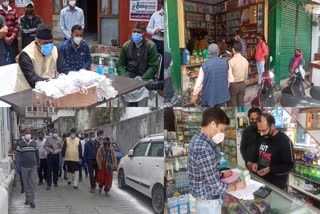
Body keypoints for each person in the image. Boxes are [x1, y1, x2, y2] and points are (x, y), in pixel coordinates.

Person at [188, 108, 246, 214]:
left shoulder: (198, 139)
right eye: (222, 129)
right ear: (213, 125)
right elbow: (216, 186)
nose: (223, 133)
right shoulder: (203, 147)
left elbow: (204, 171)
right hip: (208, 202)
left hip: (203, 199)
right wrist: (236, 186)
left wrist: (221, 175)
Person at [16, 24, 71, 89]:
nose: (49, 45)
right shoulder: (26, 54)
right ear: (36, 43)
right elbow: (32, 79)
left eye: (51, 42)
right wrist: (52, 82)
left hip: (49, 89)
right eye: (45, 43)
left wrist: (71, 77)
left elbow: (64, 68)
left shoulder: (55, 50)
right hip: (26, 93)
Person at [117, 21, 158, 106]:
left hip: (145, 76)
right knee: (120, 86)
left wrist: (143, 79)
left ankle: (142, 110)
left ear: (144, 34)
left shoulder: (151, 46)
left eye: (138, 32)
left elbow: (153, 67)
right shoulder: (126, 45)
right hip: (129, 75)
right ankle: (125, 108)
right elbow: (120, 65)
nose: (135, 34)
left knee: (145, 88)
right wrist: (124, 76)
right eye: (134, 31)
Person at [251, 113, 295, 190]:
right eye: (259, 130)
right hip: (261, 180)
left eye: (264, 130)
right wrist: (256, 163)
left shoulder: (284, 141)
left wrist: (270, 169)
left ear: (272, 126)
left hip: (276, 185)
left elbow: (290, 166)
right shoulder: (263, 136)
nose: (261, 134)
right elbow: (262, 153)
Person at [15, 128, 39, 208]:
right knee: (25, 184)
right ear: (24, 134)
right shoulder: (20, 144)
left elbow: (37, 154)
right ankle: (27, 199)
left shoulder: (34, 143)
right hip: (23, 167)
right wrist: (17, 166)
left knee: (33, 184)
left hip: (33, 166)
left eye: (29, 133)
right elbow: (17, 156)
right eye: (26, 133)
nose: (28, 134)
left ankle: (32, 201)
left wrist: (38, 164)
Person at [240, 107, 262, 171]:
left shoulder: (265, 130)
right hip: (249, 165)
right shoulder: (247, 131)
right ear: (249, 119)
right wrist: (247, 162)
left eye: (257, 119)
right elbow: (242, 148)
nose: (254, 121)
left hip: (263, 166)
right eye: (252, 119)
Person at [147, 0, 164, 80]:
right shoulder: (155, 14)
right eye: (163, 4)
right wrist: (154, 31)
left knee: (166, 61)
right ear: (161, 4)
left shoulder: (172, 16)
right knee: (156, 61)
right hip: (157, 41)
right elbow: (148, 29)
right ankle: (155, 79)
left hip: (168, 42)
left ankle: (163, 80)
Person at [228, 41, 249, 107]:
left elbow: (229, 76)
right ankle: (242, 114)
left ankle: (236, 116)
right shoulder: (245, 60)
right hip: (242, 84)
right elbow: (246, 75)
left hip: (234, 85)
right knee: (241, 103)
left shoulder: (230, 61)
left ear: (233, 50)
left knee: (233, 103)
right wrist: (244, 83)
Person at [0, 0, 19, 64]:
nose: (5, 0)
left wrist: (12, 37)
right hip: (2, 41)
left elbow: (17, 25)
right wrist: (5, 37)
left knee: (14, 59)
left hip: (13, 40)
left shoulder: (13, 10)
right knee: (2, 60)